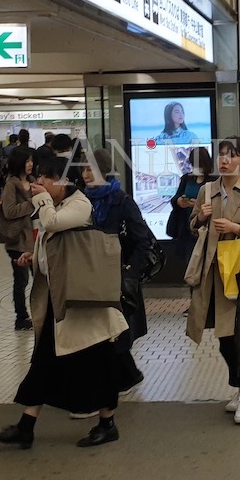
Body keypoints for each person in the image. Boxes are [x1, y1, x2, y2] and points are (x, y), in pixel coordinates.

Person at [0, 156, 130, 449]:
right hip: (63, 299)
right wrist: (35, 257)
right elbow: (56, 244)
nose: (39, 182)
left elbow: (52, 223)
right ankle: (26, 426)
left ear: (64, 180)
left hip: (84, 302)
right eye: (38, 177)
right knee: (44, 361)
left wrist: (41, 200)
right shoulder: (59, 204)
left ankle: (107, 424)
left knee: (99, 363)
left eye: (45, 178)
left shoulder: (79, 204)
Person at [185, 138, 240, 425]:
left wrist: (238, 228)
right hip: (212, 273)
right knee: (224, 338)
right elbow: (192, 226)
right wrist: (200, 218)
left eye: (232, 155)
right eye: (221, 155)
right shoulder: (207, 190)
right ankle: (239, 386)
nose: (224, 160)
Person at [82, 150, 151, 393]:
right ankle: (126, 376)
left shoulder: (121, 201)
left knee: (114, 331)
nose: (86, 174)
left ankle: (120, 380)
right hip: (91, 275)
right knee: (102, 332)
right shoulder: (82, 201)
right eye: (84, 169)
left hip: (117, 276)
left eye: (91, 169)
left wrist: (130, 272)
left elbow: (142, 240)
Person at [0, 147, 36, 330]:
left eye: (31, 161)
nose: (30, 164)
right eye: (27, 161)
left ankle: (41, 312)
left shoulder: (33, 181)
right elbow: (9, 211)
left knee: (40, 279)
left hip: (35, 239)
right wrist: (31, 203)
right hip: (17, 241)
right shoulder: (11, 184)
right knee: (21, 280)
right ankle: (21, 317)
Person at [169, 146, 214, 272]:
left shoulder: (213, 180)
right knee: (191, 267)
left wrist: (198, 205)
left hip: (206, 229)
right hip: (187, 229)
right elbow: (175, 198)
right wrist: (179, 201)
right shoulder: (187, 179)